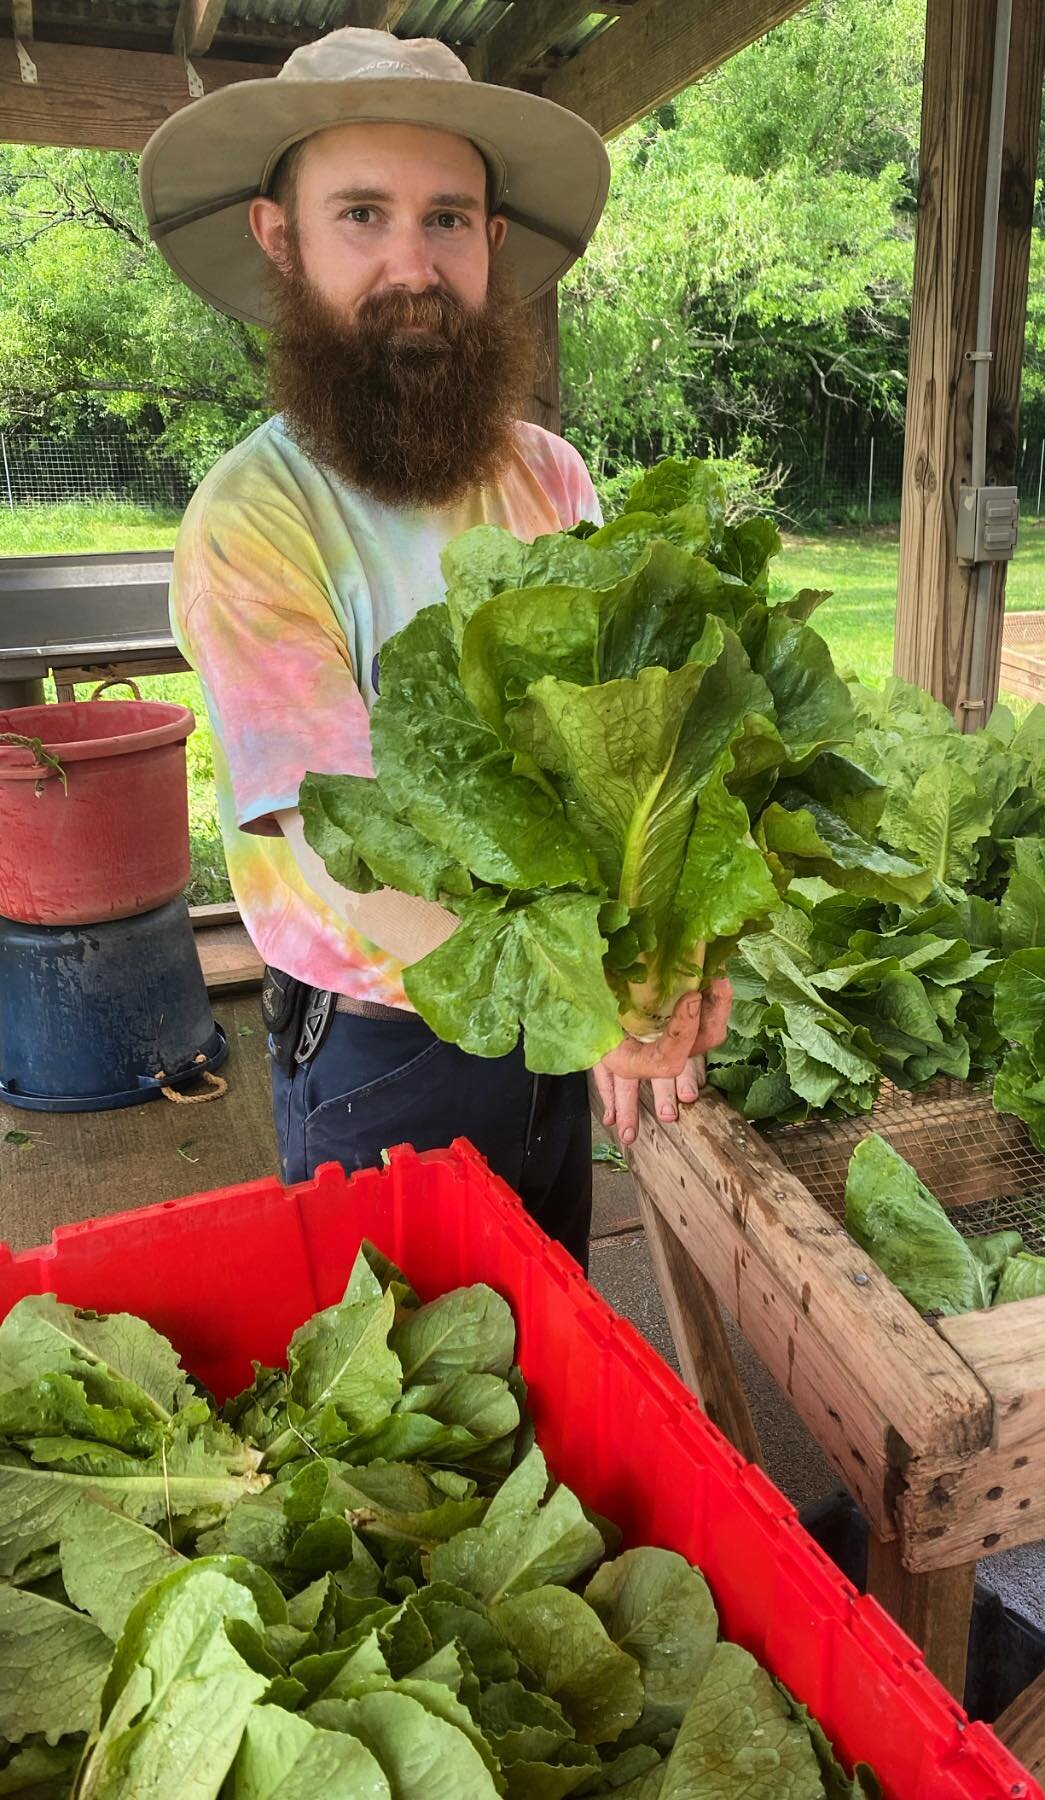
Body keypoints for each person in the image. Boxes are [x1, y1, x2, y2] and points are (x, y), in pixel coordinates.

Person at [139, 28, 731, 1269]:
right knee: (413, 1414)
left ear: (493, 247)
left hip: (554, 1021)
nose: (413, 264)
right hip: (382, 1055)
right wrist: (592, 1004)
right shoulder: (254, 520)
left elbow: (637, 757)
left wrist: (678, 963)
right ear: (279, 236)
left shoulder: (551, 477)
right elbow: (345, 847)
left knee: (554, 1330)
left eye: (449, 220)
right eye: (362, 213)